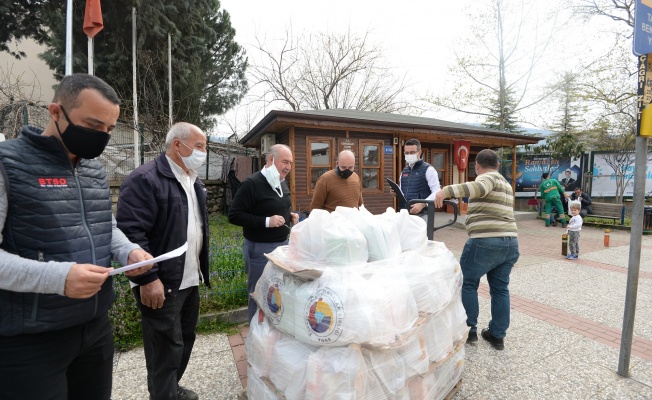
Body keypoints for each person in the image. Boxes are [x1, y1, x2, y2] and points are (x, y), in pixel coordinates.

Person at [0, 73, 153, 399]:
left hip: (95, 328)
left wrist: (129, 252)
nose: (102, 136)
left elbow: (104, 226)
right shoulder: (7, 164)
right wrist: (58, 277)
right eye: (94, 125)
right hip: (31, 341)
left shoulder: (94, 170)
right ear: (55, 112)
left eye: (109, 129)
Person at [116, 122, 210, 400]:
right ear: (177, 145)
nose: (204, 153)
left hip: (190, 278)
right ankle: (164, 394)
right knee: (164, 350)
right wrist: (147, 278)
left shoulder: (194, 181)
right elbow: (131, 235)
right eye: (200, 146)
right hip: (162, 281)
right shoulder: (145, 179)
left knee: (183, 341)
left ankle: (170, 389)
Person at [435, 149, 519, 350]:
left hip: (485, 241)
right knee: (500, 289)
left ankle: (469, 330)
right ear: (498, 164)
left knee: (468, 283)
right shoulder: (506, 184)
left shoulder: (487, 178)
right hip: (510, 243)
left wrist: (445, 191)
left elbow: (479, 188)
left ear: (477, 167)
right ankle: (497, 335)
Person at [228, 144, 299, 322]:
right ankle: (255, 335)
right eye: (285, 161)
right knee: (258, 293)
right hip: (260, 250)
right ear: (270, 159)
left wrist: (289, 216)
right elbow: (234, 215)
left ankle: (271, 333)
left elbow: (277, 205)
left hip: (282, 247)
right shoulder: (252, 184)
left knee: (277, 292)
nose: (288, 167)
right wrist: (267, 222)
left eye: (290, 163)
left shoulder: (280, 182)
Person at [398, 138, 441, 222]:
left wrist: (423, 203)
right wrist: (395, 192)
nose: (409, 155)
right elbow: (402, 191)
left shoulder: (429, 170)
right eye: (406, 153)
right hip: (405, 214)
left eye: (412, 152)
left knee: (422, 235)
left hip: (422, 215)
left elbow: (437, 191)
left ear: (420, 152)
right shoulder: (404, 171)